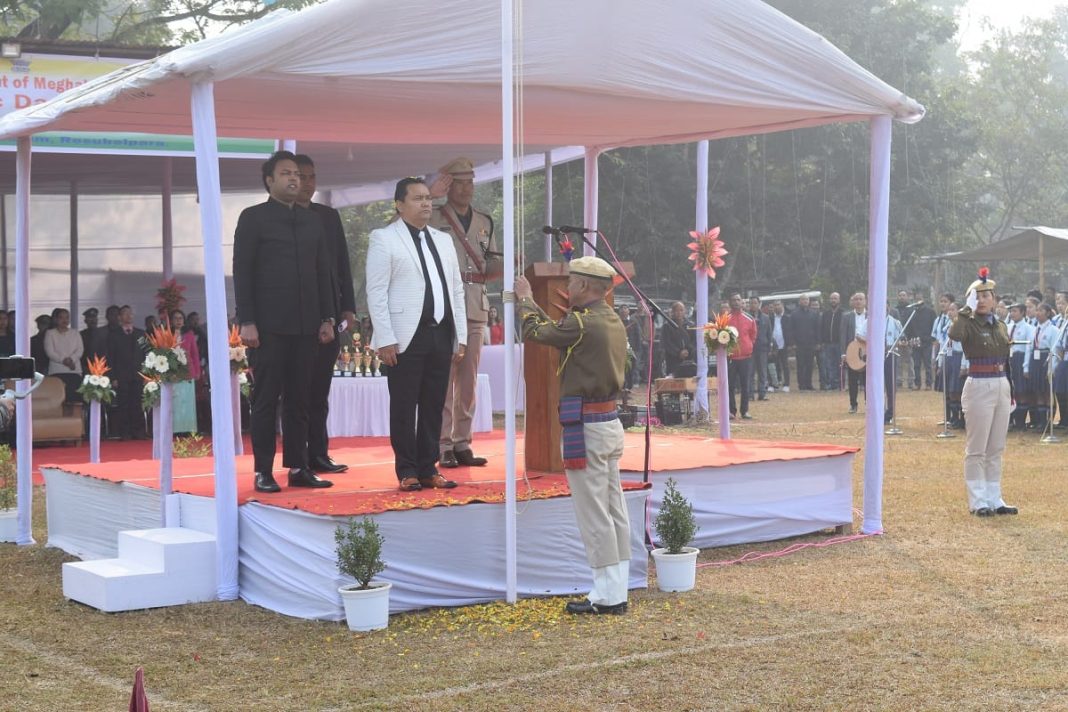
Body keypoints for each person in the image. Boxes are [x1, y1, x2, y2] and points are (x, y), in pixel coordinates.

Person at [514, 256, 630, 615]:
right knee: (614, 510)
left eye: (573, 282)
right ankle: (617, 587)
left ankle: (607, 595)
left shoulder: (582, 324)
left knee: (594, 513)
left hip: (589, 428)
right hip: (609, 423)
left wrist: (525, 300)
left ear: (583, 286)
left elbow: (537, 332)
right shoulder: (611, 320)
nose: (568, 287)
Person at [234, 150, 337, 493]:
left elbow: (323, 272)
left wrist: (327, 317)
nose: (295, 179)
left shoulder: (312, 221)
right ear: (269, 180)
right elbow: (242, 273)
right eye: (286, 174)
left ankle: (299, 466)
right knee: (265, 399)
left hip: (307, 326)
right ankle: (263, 470)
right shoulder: (254, 218)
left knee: (300, 400)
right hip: (267, 328)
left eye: (297, 173)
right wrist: (246, 321)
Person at [366, 177, 467, 493]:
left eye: (428, 198)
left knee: (434, 403)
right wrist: (384, 337)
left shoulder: (442, 239)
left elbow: (456, 289)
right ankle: (407, 470)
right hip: (404, 335)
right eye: (418, 198)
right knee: (404, 404)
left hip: (441, 332)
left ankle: (428, 467)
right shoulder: (384, 238)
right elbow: (376, 291)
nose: (426, 203)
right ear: (399, 204)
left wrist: (460, 335)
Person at [426, 158, 502, 469]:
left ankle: (462, 442)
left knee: (468, 380)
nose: (467, 188)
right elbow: (401, 229)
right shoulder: (432, 216)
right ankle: (442, 443)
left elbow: (491, 264)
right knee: (444, 378)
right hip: (445, 304)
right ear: (447, 185)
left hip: (475, 304)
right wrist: (429, 196)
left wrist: (507, 264)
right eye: (460, 182)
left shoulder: (484, 220)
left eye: (471, 181)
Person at [295, 154, 358, 475]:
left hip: (330, 318)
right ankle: (298, 458)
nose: (306, 183)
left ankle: (319, 453)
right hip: (293, 321)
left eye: (311, 177)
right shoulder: (278, 217)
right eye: (300, 176)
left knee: (319, 392)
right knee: (298, 395)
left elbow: (341, 266)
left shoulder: (328, 217)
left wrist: (348, 306)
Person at [949, 269, 1016, 517]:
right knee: (977, 447)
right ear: (971, 300)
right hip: (979, 384)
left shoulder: (1000, 325)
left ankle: (994, 497)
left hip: (1001, 383)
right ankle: (978, 500)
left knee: (996, 447)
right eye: (978, 295)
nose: (984, 299)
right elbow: (954, 335)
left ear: (995, 300)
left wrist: (1011, 391)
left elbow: (1006, 359)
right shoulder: (968, 323)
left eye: (988, 295)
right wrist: (965, 311)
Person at [106, 305, 148, 440]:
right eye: (125, 314)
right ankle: (124, 432)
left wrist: (147, 375)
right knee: (123, 404)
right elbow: (110, 357)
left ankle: (139, 431)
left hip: (138, 374)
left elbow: (146, 354)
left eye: (130, 314)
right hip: (121, 375)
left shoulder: (141, 334)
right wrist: (112, 377)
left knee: (137, 403)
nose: (128, 316)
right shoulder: (113, 335)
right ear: (120, 317)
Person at [1024, 303, 1057, 432]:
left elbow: (1054, 350)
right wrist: (1026, 367)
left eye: (1041, 310)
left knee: (1047, 392)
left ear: (1048, 313)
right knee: (1038, 391)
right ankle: (1041, 422)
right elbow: (1029, 348)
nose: (1037, 313)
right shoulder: (1034, 329)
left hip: (1046, 359)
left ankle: (1049, 423)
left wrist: (1051, 369)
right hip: (1035, 361)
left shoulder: (1053, 330)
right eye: (1036, 310)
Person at [168, 310, 200, 435]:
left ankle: (188, 429)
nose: (178, 321)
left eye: (181, 318)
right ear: (171, 320)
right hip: (172, 373)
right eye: (175, 318)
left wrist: (197, 371)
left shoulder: (189, 334)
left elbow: (194, 354)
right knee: (175, 402)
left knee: (187, 402)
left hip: (187, 372)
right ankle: (175, 430)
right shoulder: (166, 333)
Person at [726, 293, 757, 419]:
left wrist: (748, 346)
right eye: (733, 300)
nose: (736, 302)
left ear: (742, 302)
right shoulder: (724, 319)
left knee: (746, 385)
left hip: (745, 357)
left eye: (738, 300)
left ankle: (745, 411)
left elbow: (753, 335)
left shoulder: (749, 318)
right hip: (730, 358)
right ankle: (731, 411)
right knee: (730, 386)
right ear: (729, 302)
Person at [43, 308, 82, 401]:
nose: (64, 320)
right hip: (57, 371)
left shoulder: (75, 333)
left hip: (74, 370)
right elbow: (50, 352)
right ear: (56, 319)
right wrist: (64, 360)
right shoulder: (50, 333)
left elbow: (80, 350)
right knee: (58, 399)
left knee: (74, 398)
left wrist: (71, 359)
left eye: (67, 317)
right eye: (61, 317)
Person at [1005, 303, 1033, 431]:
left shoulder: (1028, 328)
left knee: (1021, 390)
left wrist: (1026, 366)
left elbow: (1029, 348)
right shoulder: (1007, 327)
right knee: (1010, 390)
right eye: (1010, 311)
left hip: (1020, 358)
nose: (1012, 314)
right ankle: (1011, 420)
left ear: (1022, 313)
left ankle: (1021, 422)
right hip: (1009, 359)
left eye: (1015, 311)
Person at [840, 292, 867, 414]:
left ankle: (869, 404)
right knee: (852, 379)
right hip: (852, 350)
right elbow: (843, 336)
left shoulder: (871, 316)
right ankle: (853, 404)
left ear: (865, 301)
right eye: (856, 299)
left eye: (860, 299)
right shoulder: (847, 317)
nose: (858, 301)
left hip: (867, 351)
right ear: (852, 302)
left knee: (868, 380)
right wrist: (843, 353)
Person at [789, 294, 819, 390]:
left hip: (810, 344)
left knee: (810, 365)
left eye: (806, 299)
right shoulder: (794, 314)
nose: (805, 301)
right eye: (803, 299)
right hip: (799, 344)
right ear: (799, 301)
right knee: (801, 365)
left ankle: (809, 384)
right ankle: (801, 385)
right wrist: (792, 343)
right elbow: (791, 330)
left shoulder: (814, 314)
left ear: (809, 301)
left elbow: (817, 329)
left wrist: (817, 342)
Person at [909, 291, 936, 390]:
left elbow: (934, 326)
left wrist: (931, 338)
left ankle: (929, 384)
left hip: (927, 342)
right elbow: (909, 327)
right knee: (916, 364)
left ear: (923, 299)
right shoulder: (912, 311)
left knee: (927, 364)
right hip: (915, 341)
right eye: (916, 299)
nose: (918, 300)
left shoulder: (930, 312)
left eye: (920, 298)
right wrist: (910, 339)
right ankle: (917, 383)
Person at [660, 301, 692, 377]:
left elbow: (693, 341)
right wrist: (678, 352)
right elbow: (667, 343)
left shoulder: (690, 325)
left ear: (685, 312)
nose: (679, 313)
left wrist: (688, 351)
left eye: (681, 310)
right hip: (673, 359)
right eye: (677, 310)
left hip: (688, 358)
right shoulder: (667, 326)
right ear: (673, 312)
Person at [818, 292, 842, 391]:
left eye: (835, 298)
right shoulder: (825, 314)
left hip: (839, 344)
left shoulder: (843, 313)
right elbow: (822, 327)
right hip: (828, 344)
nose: (833, 300)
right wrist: (822, 341)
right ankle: (832, 384)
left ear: (839, 300)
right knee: (829, 365)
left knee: (839, 364)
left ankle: (840, 384)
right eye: (831, 298)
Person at [748, 296, 771, 400]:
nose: (753, 305)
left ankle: (762, 393)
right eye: (751, 303)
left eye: (755, 303)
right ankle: (750, 394)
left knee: (762, 371)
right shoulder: (746, 317)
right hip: (750, 348)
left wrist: (769, 346)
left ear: (759, 304)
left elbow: (769, 333)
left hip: (762, 348)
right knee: (750, 372)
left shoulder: (766, 317)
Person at [768, 300, 790, 391]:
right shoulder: (770, 318)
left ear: (782, 305)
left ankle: (786, 385)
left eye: (778, 305)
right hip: (773, 347)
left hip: (784, 345)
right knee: (772, 365)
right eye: (775, 305)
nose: (777, 307)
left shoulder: (787, 317)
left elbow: (791, 331)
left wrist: (790, 344)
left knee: (785, 365)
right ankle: (772, 384)